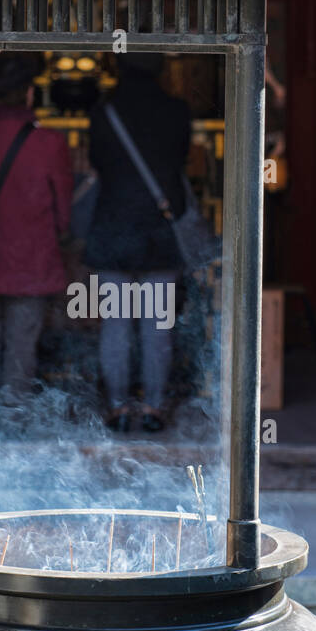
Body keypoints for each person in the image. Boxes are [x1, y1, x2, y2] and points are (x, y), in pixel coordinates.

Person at [85, 54, 192, 432]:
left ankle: (116, 407)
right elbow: (180, 160)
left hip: (113, 226)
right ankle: (153, 408)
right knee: (156, 325)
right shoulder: (177, 111)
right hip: (159, 229)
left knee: (115, 324)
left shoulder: (103, 112)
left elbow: (97, 162)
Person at [0, 53, 73, 398]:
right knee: (21, 345)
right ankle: (11, 419)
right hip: (32, 258)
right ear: (29, 93)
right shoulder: (49, 142)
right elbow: (63, 207)